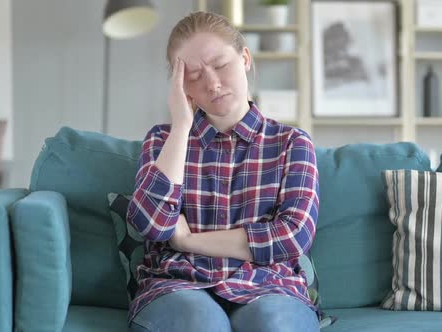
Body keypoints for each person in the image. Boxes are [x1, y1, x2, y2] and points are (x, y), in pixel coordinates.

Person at [127, 11, 320, 332]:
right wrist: (181, 126)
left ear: (244, 58)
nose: (212, 83)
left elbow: (292, 236)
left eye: (220, 65)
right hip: (178, 285)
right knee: (200, 323)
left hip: (271, 286)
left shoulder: (292, 143)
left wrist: (189, 241)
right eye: (193, 75)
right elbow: (151, 225)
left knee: (273, 324)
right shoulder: (163, 139)